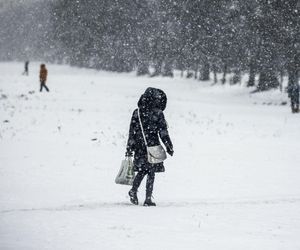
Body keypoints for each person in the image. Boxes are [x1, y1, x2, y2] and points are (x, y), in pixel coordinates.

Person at [126, 87, 174, 206]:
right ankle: (147, 198)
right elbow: (163, 132)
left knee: (143, 170)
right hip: (153, 146)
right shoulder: (158, 113)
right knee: (150, 171)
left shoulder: (137, 112)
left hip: (139, 146)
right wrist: (169, 146)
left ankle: (134, 190)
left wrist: (129, 148)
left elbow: (132, 132)